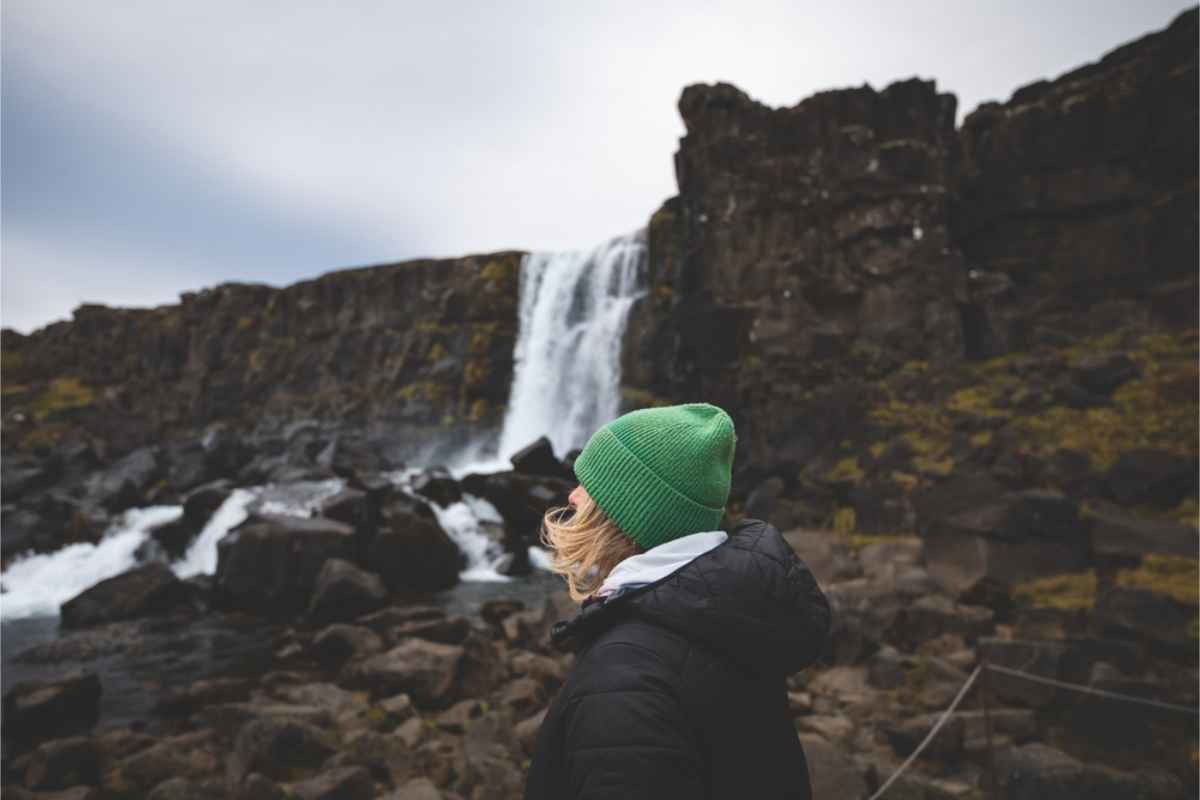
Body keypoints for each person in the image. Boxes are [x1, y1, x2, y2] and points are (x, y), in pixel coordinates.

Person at [524, 403, 831, 800]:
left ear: (632, 510)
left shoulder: (624, 678)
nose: (573, 495)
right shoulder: (729, 622)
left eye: (590, 484)